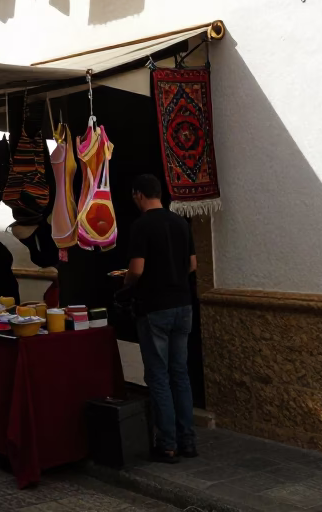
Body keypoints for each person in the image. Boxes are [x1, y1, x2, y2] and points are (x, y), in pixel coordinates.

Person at [125, 174, 198, 463]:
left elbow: (137, 269)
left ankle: (167, 445)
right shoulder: (181, 222)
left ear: (139, 195)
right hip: (183, 305)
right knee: (180, 374)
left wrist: (126, 285)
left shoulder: (141, 226)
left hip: (155, 307)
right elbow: (192, 264)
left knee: (158, 376)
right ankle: (188, 441)